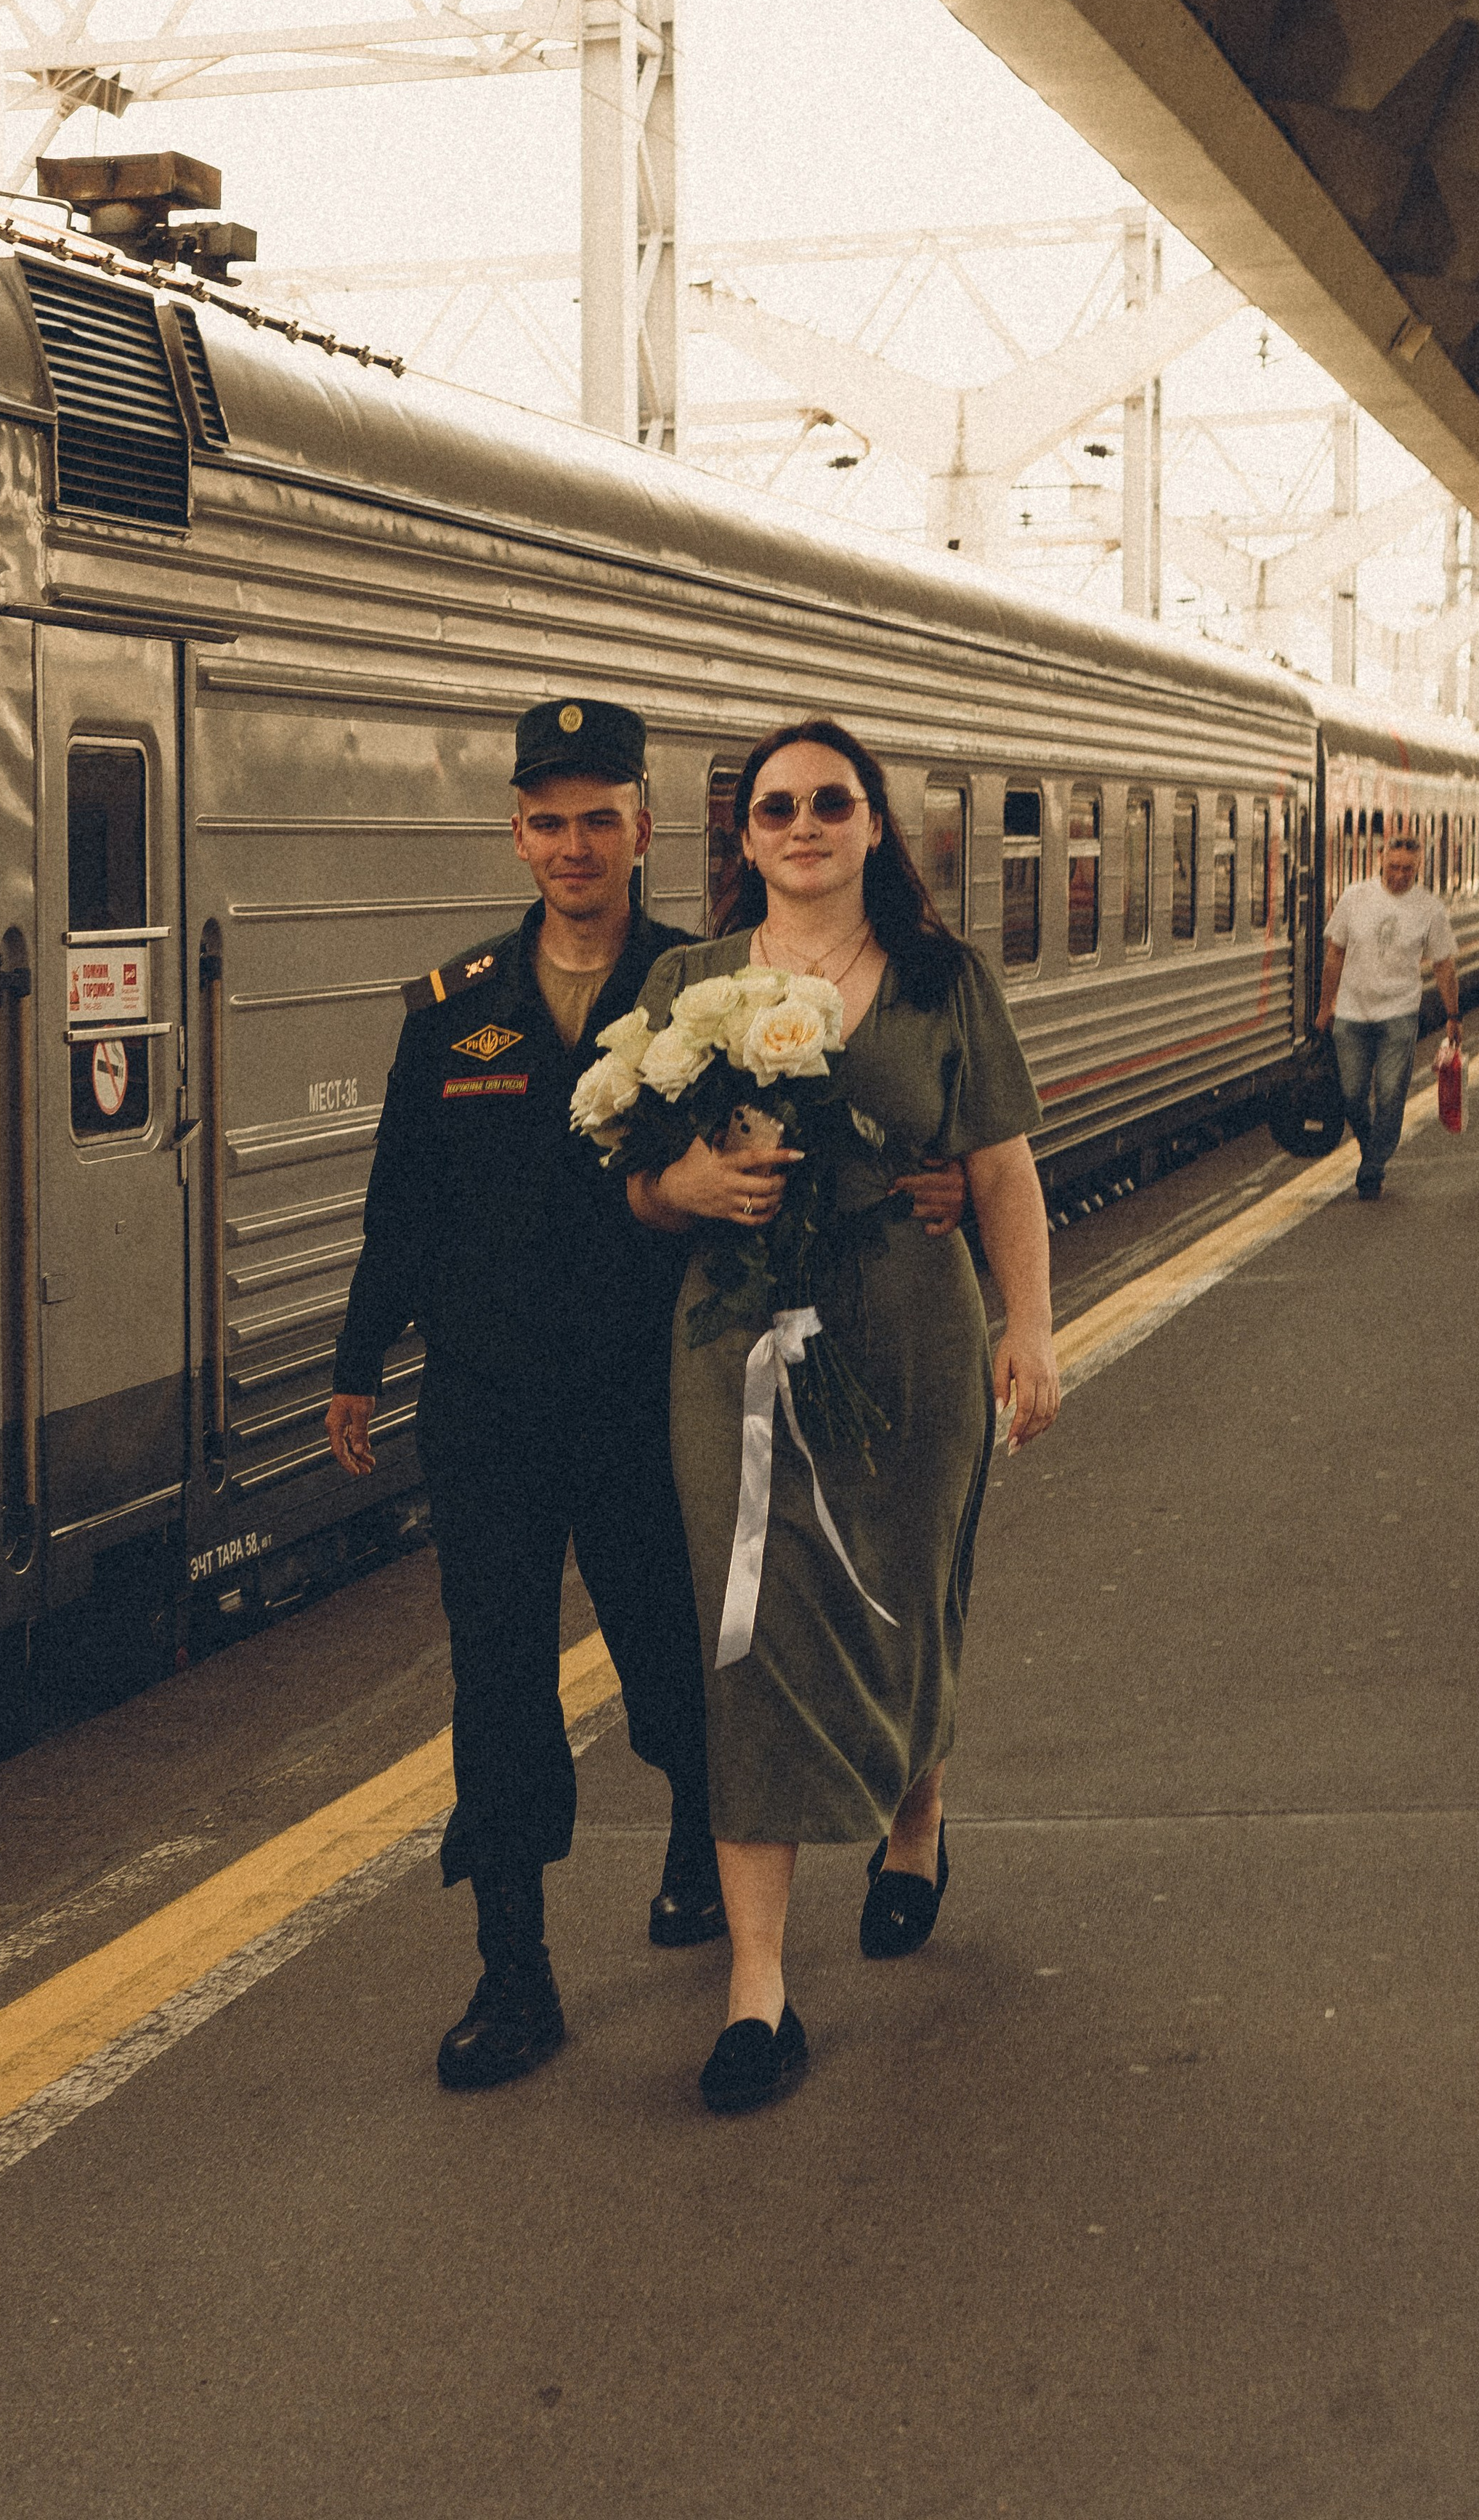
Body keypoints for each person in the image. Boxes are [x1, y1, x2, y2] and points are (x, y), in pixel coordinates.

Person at [326, 694, 970, 2091]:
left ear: (644, 829)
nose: (573, 844)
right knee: (497, 1690)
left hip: (644, 1396)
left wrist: (942, 1184)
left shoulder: (712, 995)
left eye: (598, 818)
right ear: (517, 835)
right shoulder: (454, 1014)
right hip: (491, 1408)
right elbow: (405, 1203)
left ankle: (697, 1841)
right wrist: (354, 1361)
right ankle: (514, 1970)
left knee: (679, 1670)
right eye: (548, 822)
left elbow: (840, 1136)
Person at [626, 719, 1059, 2115]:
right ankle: (761, 1989)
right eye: (774, 809)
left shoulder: (943, 982)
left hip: (911, 1329)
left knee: (905, 1589)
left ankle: (915, 1815)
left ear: (878, 825)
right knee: (748, 1627)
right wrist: (682, 1191)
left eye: (830, 802)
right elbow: (629, 1175)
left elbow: (1001, 1172)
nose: (802, 825)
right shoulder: (690, 983)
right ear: (743, 838)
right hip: (735, 1340)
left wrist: (1032, 1330)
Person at [1315, 828, 1459, 1200]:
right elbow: (1335, 954)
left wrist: (1453, 1014)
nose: (1399, 875)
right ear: (1380, 859)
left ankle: (1372, 1168)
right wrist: (1324, 1005)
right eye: (1393, 866)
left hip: (1399, 1012)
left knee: (1392, 1093)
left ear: (1418, 868)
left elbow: (1444, 966)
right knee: (1352, 1094)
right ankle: (1371, 1150)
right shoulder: (1355, 897)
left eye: (1407, 870)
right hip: (1351, 1012)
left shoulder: (1430, 909)